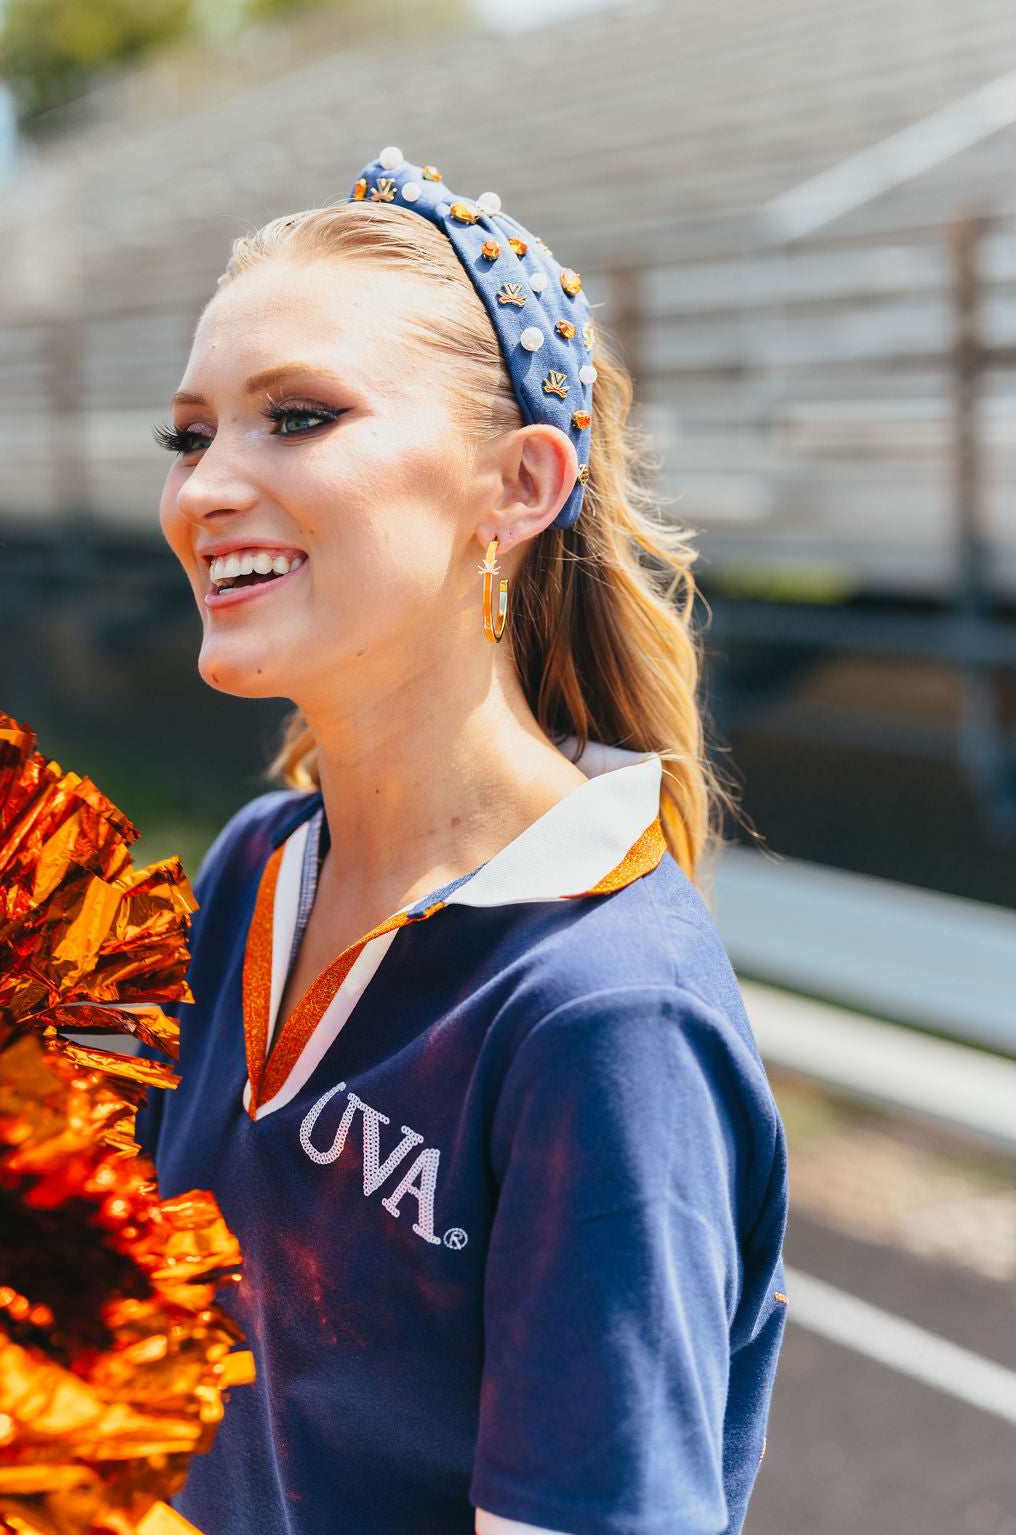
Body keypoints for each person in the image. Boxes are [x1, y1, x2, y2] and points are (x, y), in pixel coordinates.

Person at [137, 147, 788, 1535]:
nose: (204, 491)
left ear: (518, 486)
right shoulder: (253, 870)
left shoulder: (604, 1014)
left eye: (296, 418)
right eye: (191, 437)